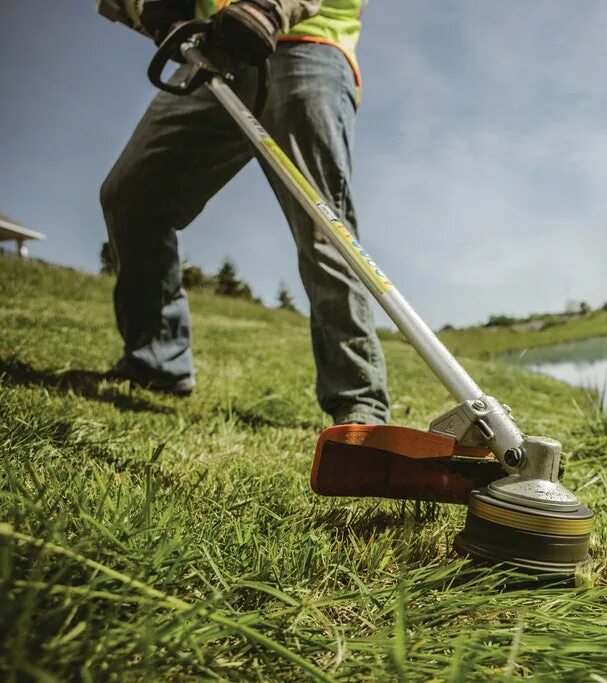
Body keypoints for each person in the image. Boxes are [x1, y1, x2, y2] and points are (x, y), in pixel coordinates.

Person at [100, 0, 390, 426]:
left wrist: (273, 7)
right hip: (215, 50)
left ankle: (359, 405)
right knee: (133, 193)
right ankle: (156, 361)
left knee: (322, 227)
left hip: (307, 44)